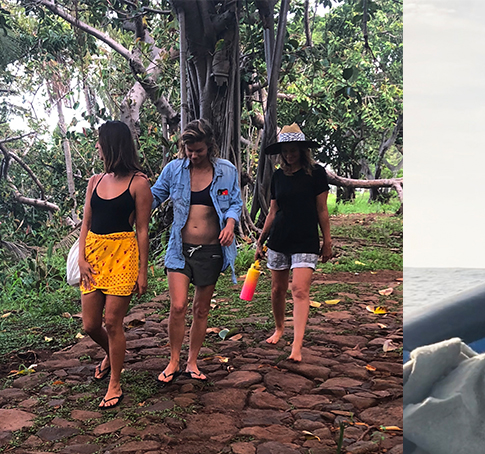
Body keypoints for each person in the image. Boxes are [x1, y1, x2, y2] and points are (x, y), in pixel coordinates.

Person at [150, 119, 242, 383]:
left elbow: (235, 202)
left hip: (212, 250)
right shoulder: (174, 170)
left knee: (201, 309)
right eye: (189, 150)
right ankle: (173, 361)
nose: (193, 155)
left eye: (199, 150)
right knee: (178, 306)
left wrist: (230, 224)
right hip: (180, 249)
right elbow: (155, 195)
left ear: (210, 145)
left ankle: (192, 361)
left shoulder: (226, 170)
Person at [77, 120, 151, 409]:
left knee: (112, 322)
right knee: (90, 324)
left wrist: (143, 271)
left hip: (123, 254)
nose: (96, 146)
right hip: (94, 254)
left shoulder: (139, 182)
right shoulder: (95, 181)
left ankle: (115, 382)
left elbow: (143, 229)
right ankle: (112, 352)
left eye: (99, 141)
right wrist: (82, 258)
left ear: (112, 145)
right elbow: (86, 222)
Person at [255, 123, 334, 363]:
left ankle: (296, 346)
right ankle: (279, 327)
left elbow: (322, 210)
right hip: (279, 238)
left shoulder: (316, 173)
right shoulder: (278, 176)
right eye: (285, 151)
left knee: (299, 289)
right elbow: (272, 211)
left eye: (294, 150)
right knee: (277, 289)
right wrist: (261, 240)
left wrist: (327, 240)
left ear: (302, 150)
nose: (289, 155)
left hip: (306, 239)